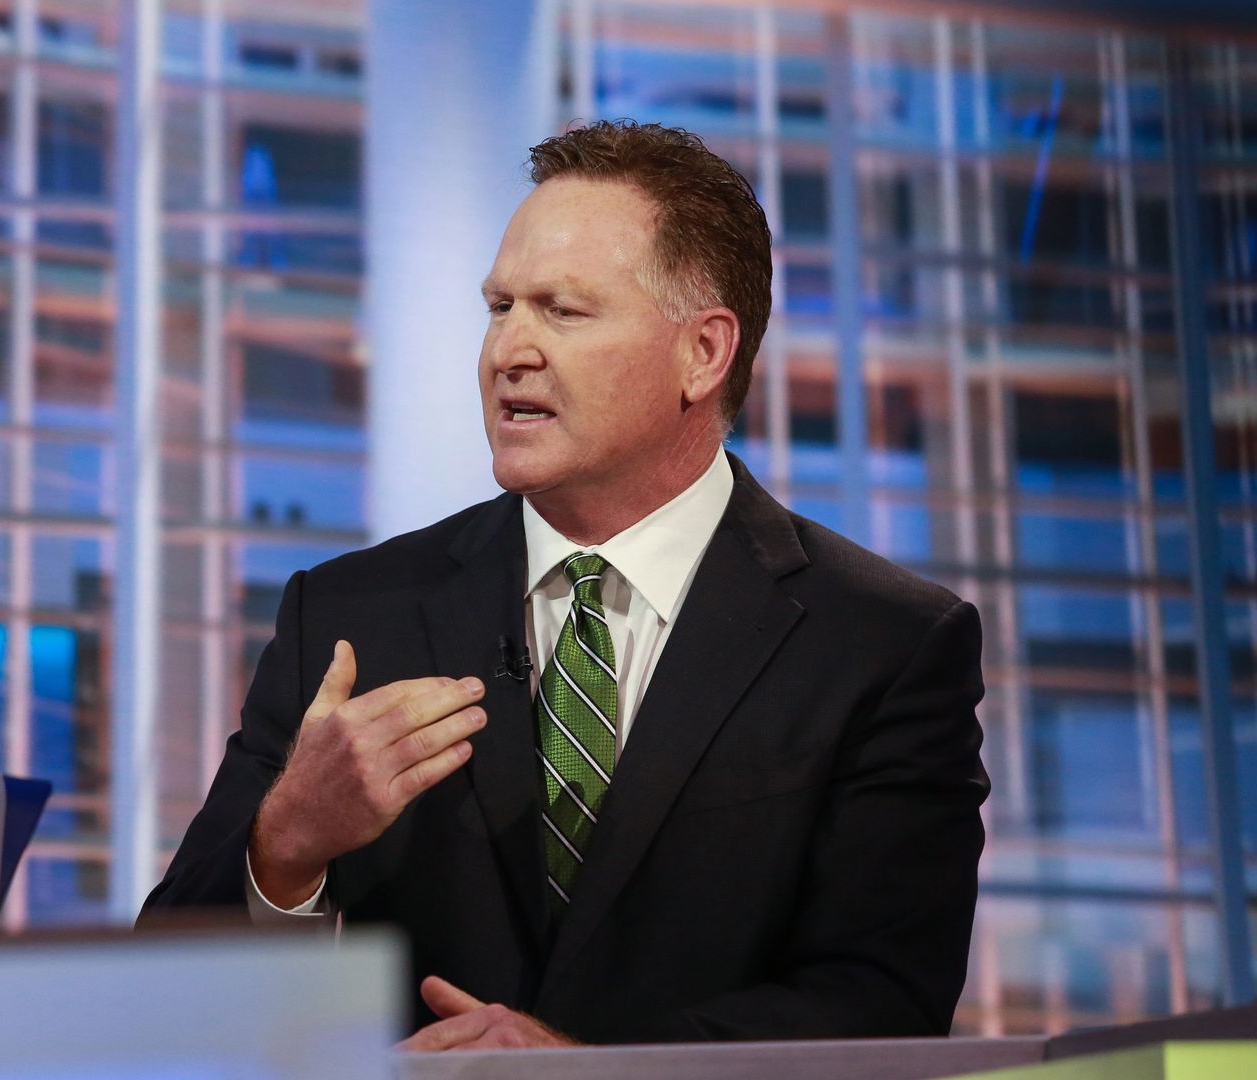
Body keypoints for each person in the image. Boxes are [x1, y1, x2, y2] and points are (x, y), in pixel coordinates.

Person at [140, 119, 990, 1050]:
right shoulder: (348, 616)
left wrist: (593, 1074)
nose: (509, 350)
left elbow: (883, 999)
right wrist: (286, 844)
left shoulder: (882, 643)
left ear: (703, 354)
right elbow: (166, 987)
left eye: (563, 310)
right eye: (500, 306)